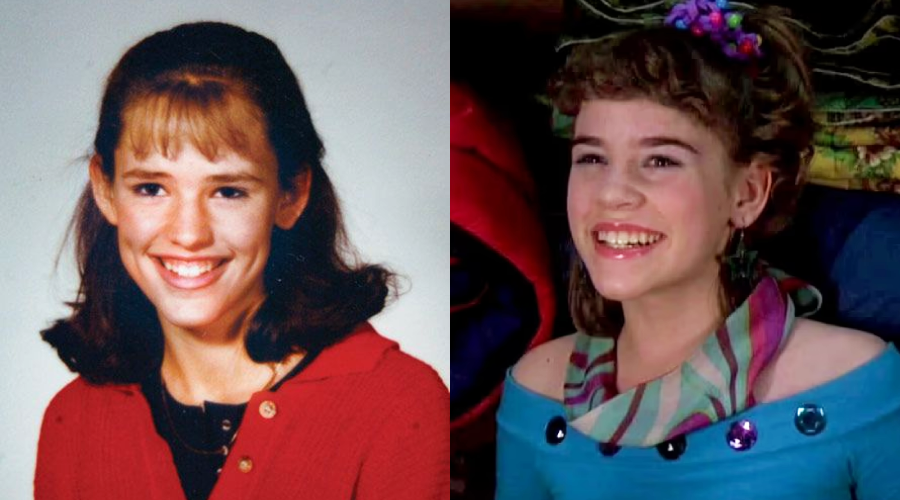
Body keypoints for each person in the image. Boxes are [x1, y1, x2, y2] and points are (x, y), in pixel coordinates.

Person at [496, 2, 900, 499]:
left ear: (747, 195)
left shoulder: (857, 384)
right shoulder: (535, 389)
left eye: (660, 160)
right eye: (592, 158)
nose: (610, 193)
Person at [35, 22, 448, 500]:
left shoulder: (398, 403)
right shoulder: (74, 420)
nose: (188, 234)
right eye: (151, 188)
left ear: (290, 195)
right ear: (106, 190)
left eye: (228, 191)